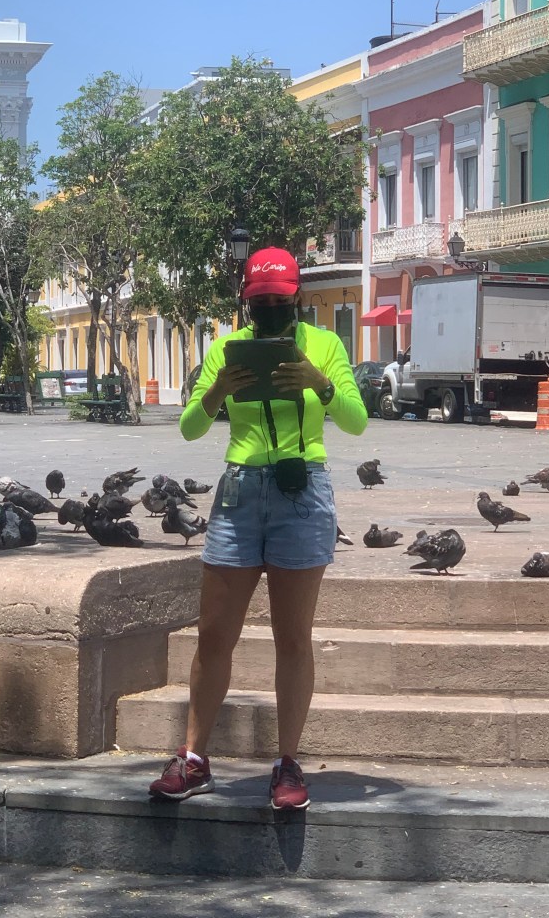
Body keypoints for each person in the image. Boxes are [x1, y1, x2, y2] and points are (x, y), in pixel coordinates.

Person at [149, 246, 368, 810]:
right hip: (240, 493)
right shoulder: (225, 348)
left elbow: (357, 421)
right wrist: (218, 390)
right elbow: (190, 428)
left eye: (278, 300)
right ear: (246, 302)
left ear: (297, 297)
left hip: (303, 489)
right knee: (213, 634)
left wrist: (319, 383)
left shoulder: (325, 345)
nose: (269, 309)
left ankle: (288, 762)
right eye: (259, 301)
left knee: (292, 638)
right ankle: (194, 759)